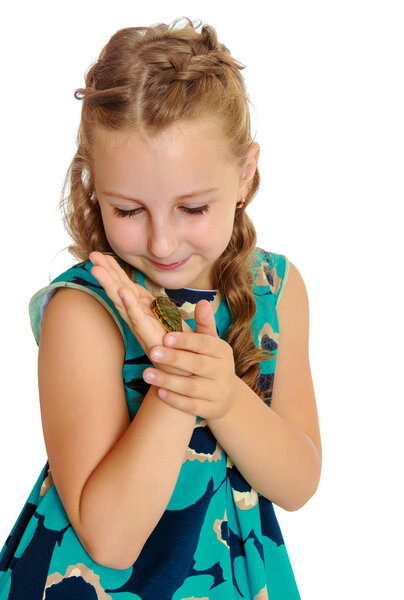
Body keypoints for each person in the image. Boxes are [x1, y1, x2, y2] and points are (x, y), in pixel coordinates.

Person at [0, 16, 321, 599]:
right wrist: (178, 381)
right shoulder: (83, 311)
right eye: (128, 211)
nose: (162, 243)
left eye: (193, 208)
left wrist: (223, 397)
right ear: (94, 185)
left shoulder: (277, 288)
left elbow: (297, 484)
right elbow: (110, 541)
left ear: (245, 174)